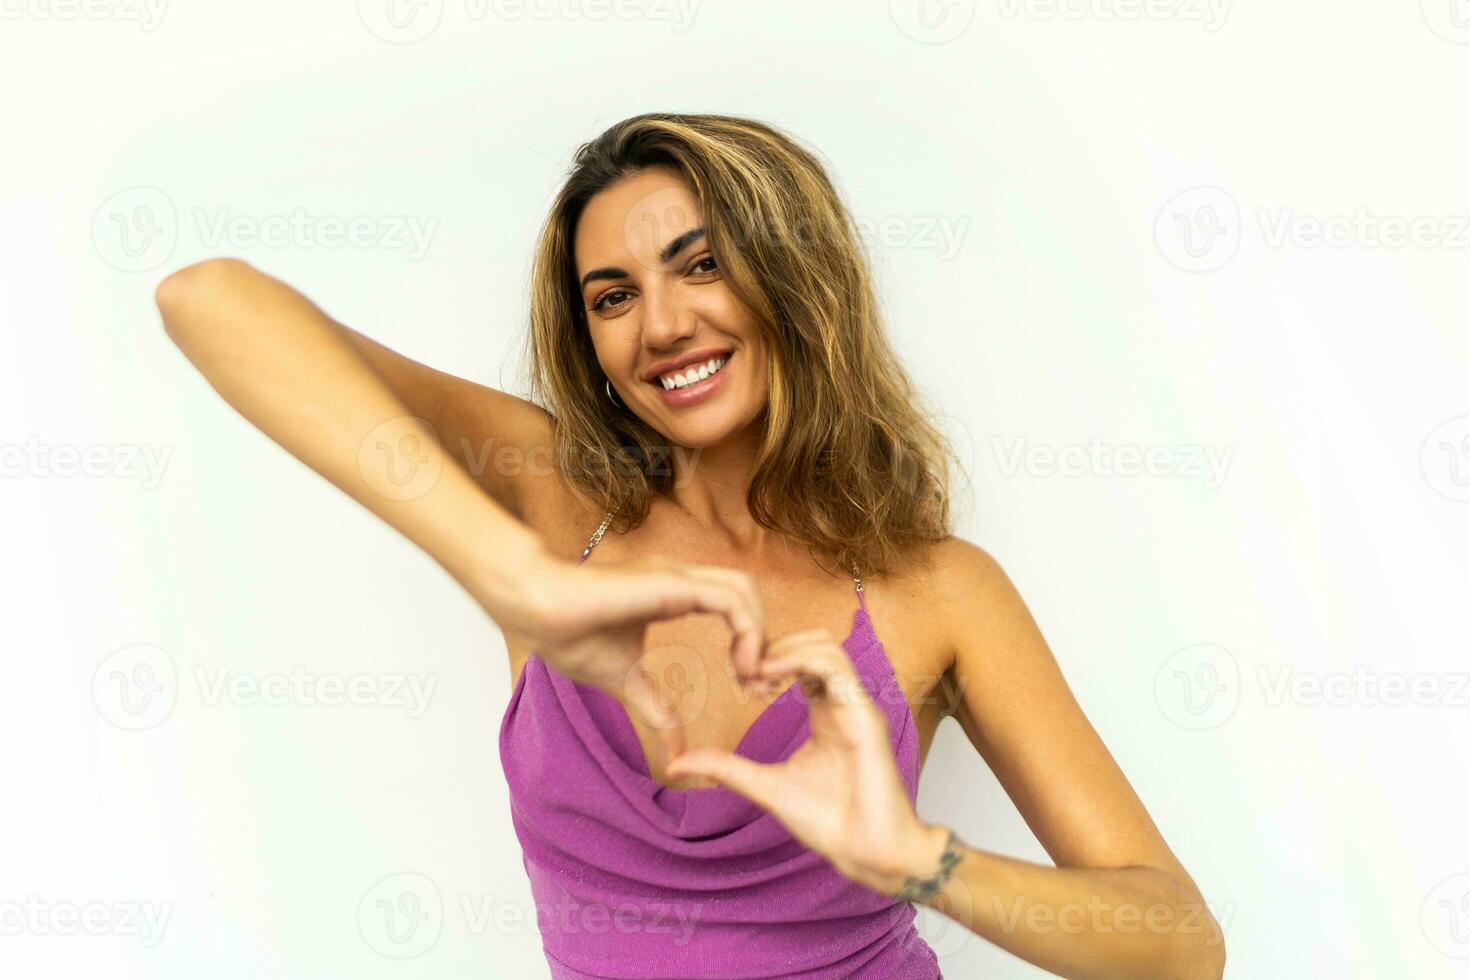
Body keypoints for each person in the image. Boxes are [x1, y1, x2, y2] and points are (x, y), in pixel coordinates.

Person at [154, 112, 1224, 979]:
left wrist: (920, 861)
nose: (658, 326)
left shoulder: (935, 591)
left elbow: (1179, 942)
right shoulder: (554, 510)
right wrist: (509, 568)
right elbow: (206, 299)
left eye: (699, 265)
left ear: (793, 278)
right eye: (612, 297)